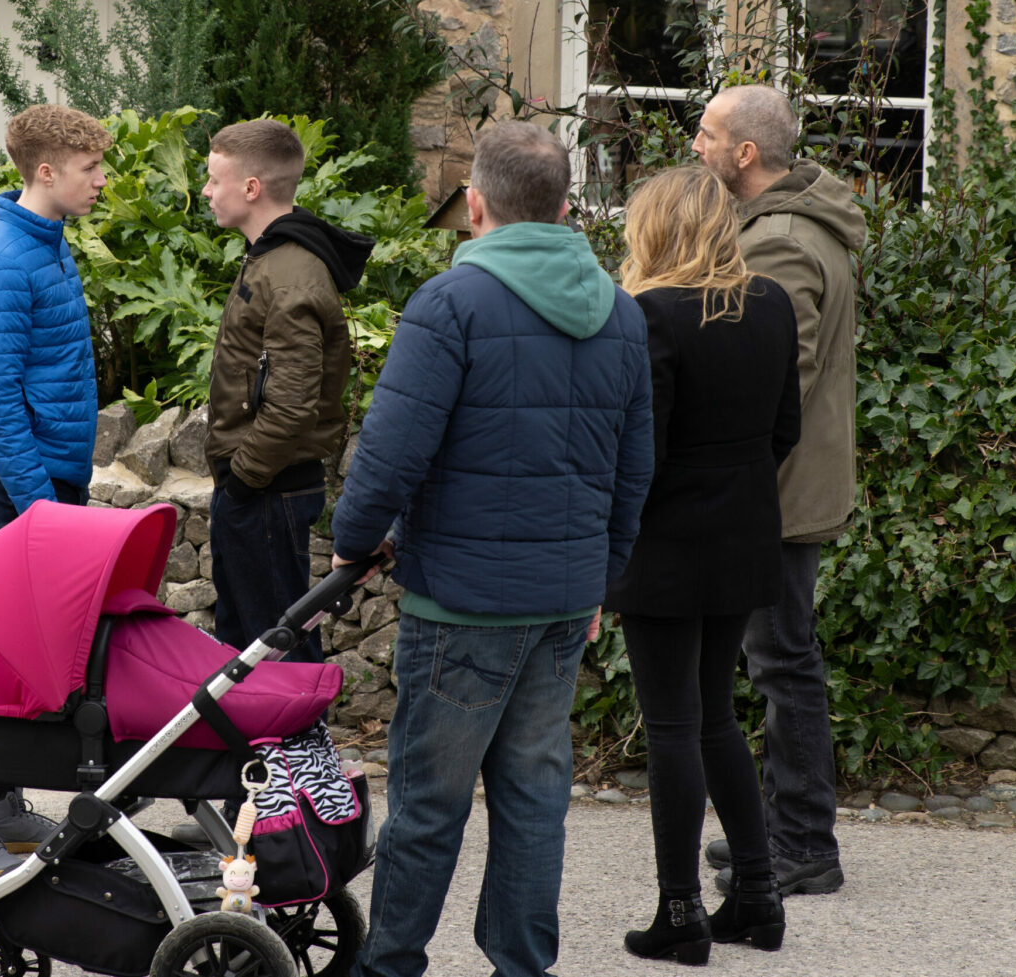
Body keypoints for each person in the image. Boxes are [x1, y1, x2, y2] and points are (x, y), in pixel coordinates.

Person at [331, 121, 654, 977]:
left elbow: (391, 453)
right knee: (535, 797)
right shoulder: (620, 314)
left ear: (475, 204)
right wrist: (598, 581)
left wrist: (348, 547)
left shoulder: (451, 304)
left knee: (431, 801)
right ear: (564, 207)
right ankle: (521, 964)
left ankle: (389, 962)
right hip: (560, 600)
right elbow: (635, 469)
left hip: (463, 602)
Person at [603, 166, 800, 964]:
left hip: (667, 542)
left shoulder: (651, 313)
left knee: (676, 722)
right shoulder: (773, 303)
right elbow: (785, 427)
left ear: (655, 228)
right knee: (715, 713)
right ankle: (755, 892)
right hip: (745, 532)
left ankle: (680, 909)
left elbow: (640, 450)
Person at [0, 103, 114, 879]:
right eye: (89, 170)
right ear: (46, 172)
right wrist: (41, 503)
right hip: (18, 481)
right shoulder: (6, 260)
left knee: (25, 649)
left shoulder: (45, 241)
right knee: (0, 649)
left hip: (40, 472)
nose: (101, 181)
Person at [692, 83, 867, 896]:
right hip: (787, 484)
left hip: (779, 493)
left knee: (782, 662)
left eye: (707, 134)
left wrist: (721, 468)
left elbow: (772, 375)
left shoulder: (783, 243)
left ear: (746, 154)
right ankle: (776, 827)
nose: (697, 146)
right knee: (780, 657)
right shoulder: (789, 224)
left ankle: (802, 843)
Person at [201, 118, 374, 663]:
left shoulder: (292, 271)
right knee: (247, 640)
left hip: (268, 490)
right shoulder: (271, 256)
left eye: (212, 180)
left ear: (251, 188)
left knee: (276, 648)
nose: (205, 192)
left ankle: (300, 747)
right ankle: (252, 748)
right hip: (259, 488)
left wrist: (244, 482)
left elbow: (294, 402)